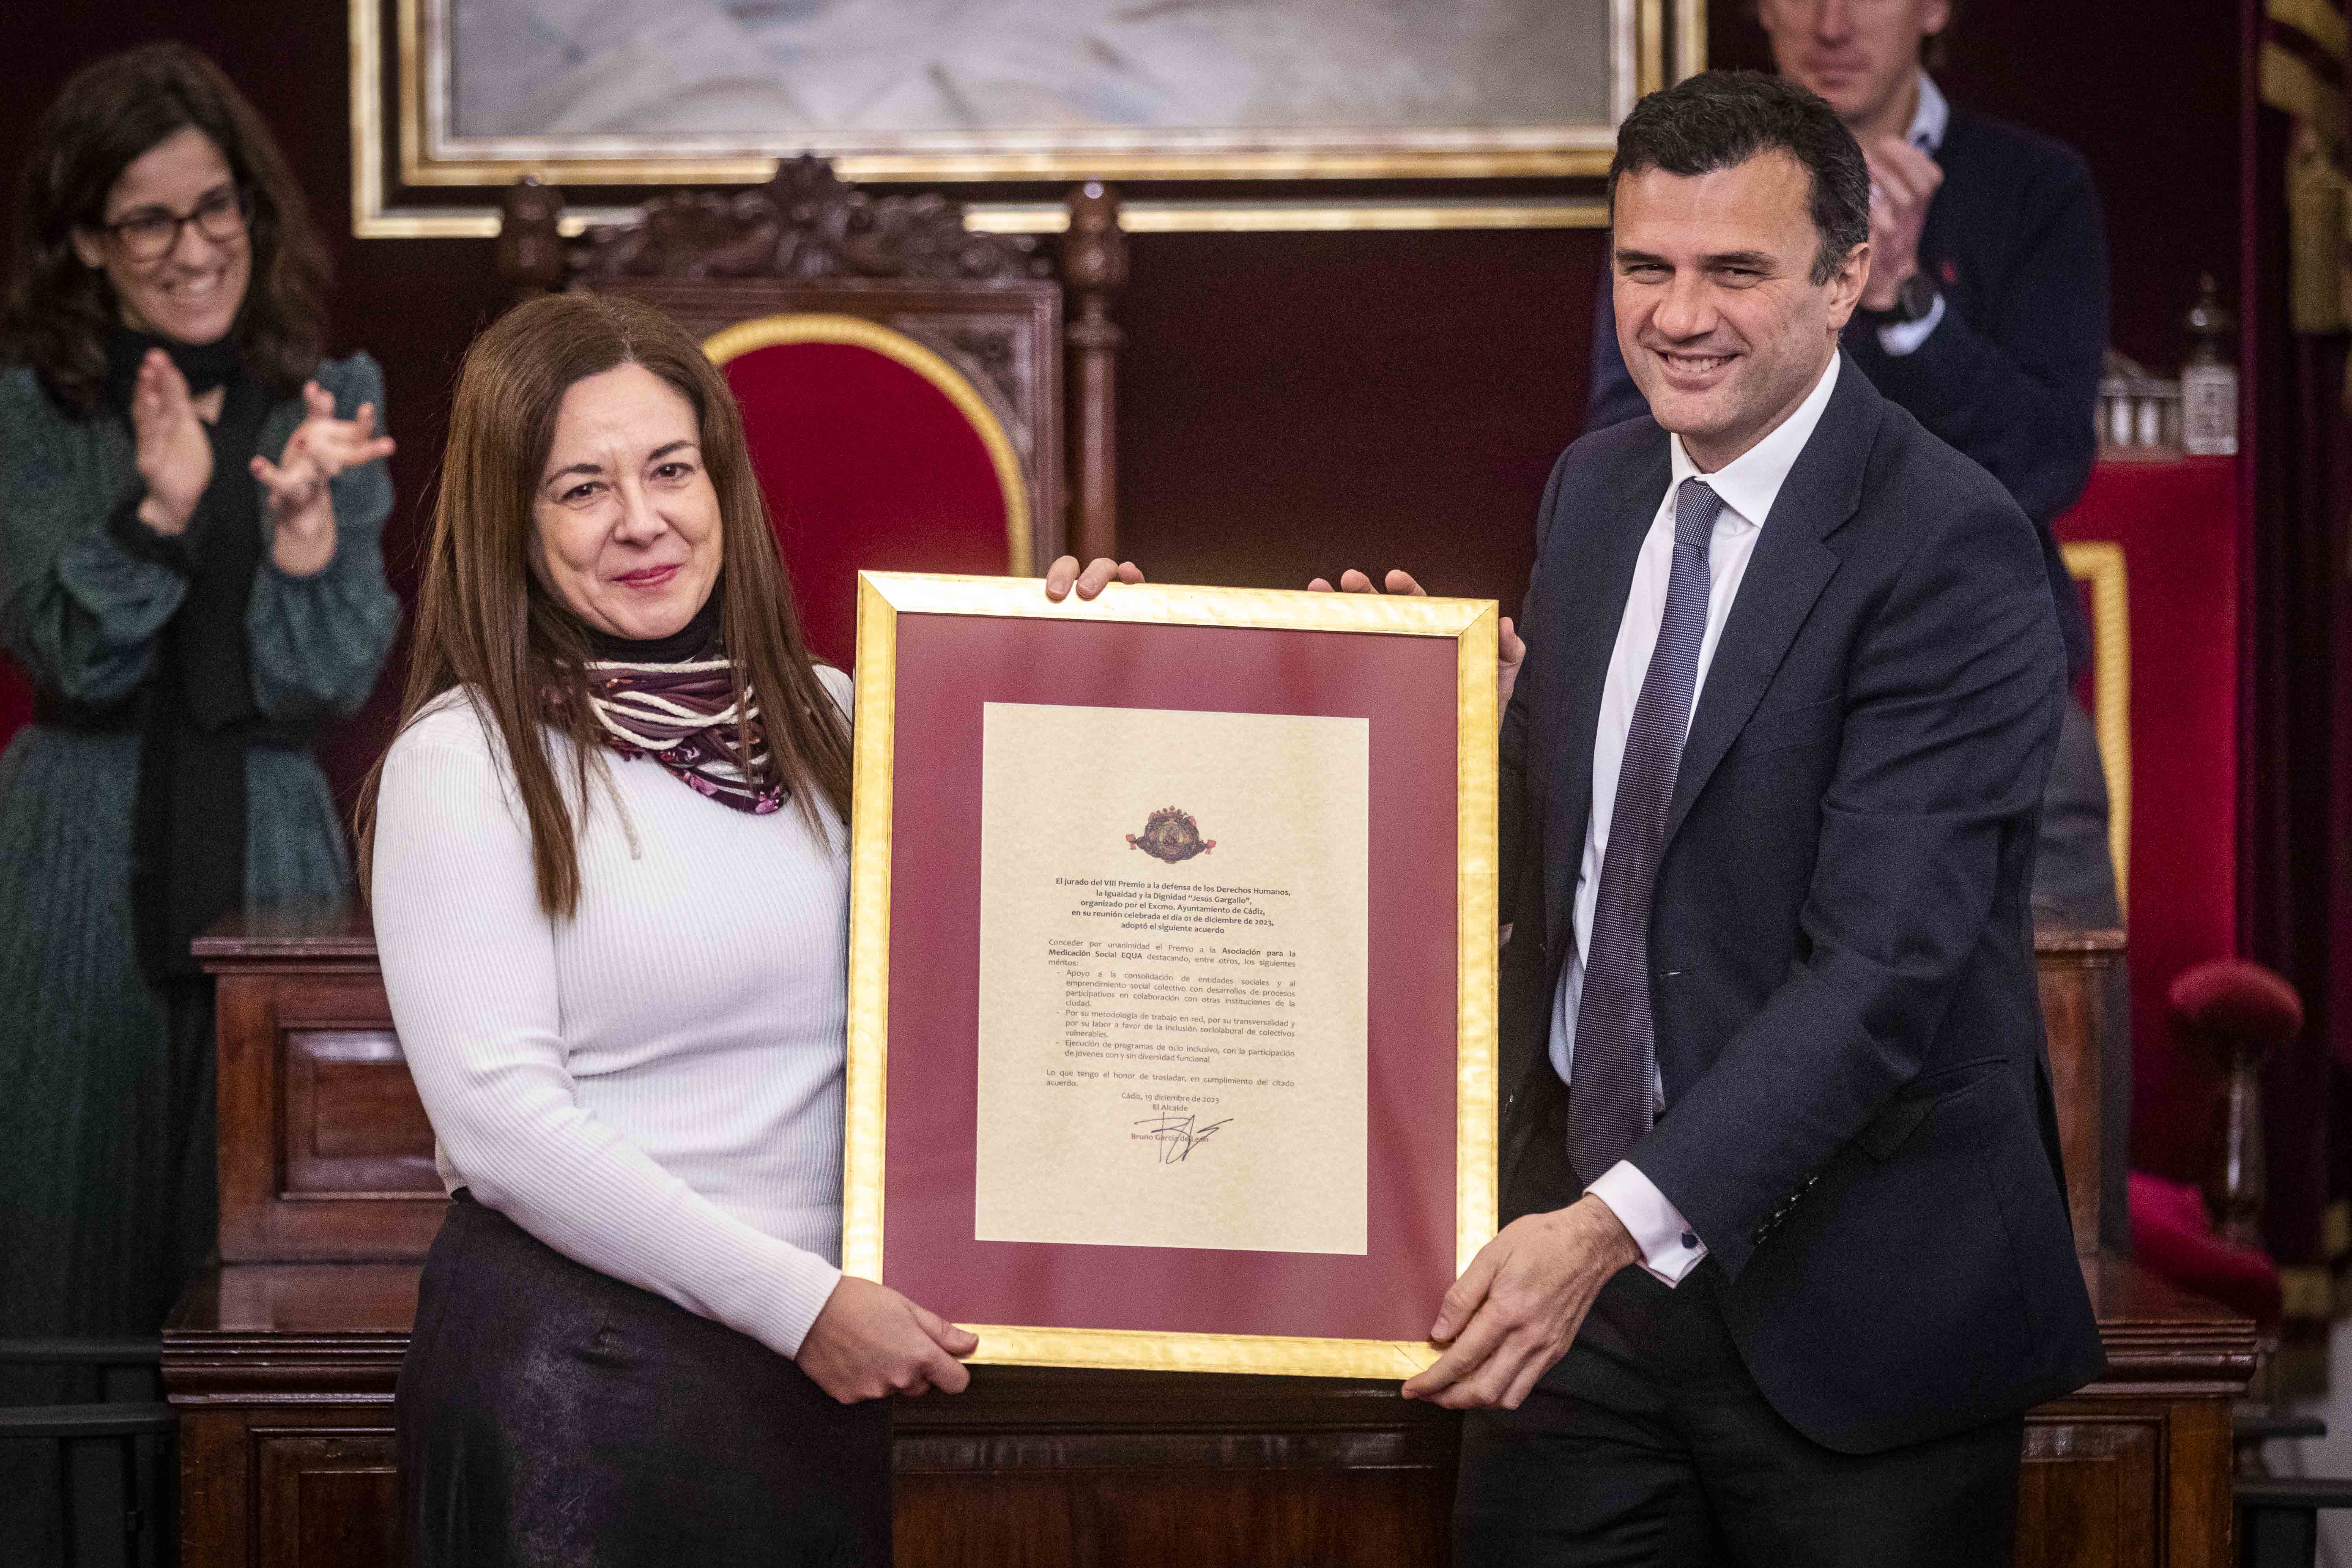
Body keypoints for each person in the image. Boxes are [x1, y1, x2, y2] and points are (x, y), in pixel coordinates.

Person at [1055, 67, 2103, 1564]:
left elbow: (1880, 978)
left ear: (1846, 275)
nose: (1679, 315)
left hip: (1851, 1317)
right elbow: (1572, 847)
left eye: (1735, 270)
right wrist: (1331, 709)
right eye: (1644, 267)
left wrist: (1603, 1226)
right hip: (1578, 1309)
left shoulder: (1953, 549)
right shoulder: (1597, 492)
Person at [362, 291, 978, 1564]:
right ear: (513, 524)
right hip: (578, 1392)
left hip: (817, 1381)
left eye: (670, 470)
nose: (641, 520)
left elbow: (1029, 922)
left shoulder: (844, 718)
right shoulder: (463, 760)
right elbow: (500, 1126)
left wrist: (1105, 654)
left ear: (723, 486)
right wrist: (802, 1305)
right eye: (581, 488)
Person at [0, 43, 399, 1555]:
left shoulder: (329, 396)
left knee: (270, 1271)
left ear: (255, 209)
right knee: (65, 1262)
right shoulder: (33, 414)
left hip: (275, 855)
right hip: (68, 869)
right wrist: (160, 505)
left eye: (213, 206)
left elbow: (335, 681)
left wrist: (303, 547)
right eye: (148, 219)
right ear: (90, 244)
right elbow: (70, 654)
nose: (192, 247)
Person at [1589, 0, 2121, 939]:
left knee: (2031, 1049)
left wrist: (1904, 304)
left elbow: (2043, 464)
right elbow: (1635, 439)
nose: (1831, 23)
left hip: (1983, 695)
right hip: (1738, 689)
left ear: (1932, 9)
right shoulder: (1688, 198)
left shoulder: (2032, 186)